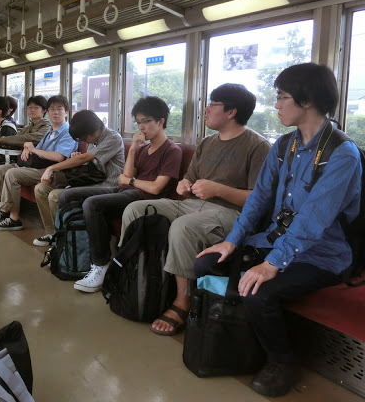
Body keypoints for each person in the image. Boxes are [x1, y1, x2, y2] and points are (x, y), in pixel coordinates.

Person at [196, 64, 361, 397]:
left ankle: (282, 361)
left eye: (283, 97)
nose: (276, 105)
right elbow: (258, 198)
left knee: (260, 292)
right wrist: (232, 241)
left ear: (307, 100)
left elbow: (313, 220)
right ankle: (237, 338)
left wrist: (271, 263)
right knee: (206, 264)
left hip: (322, 254)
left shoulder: (342, 154)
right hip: (276, 240)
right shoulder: (285, 145)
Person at [120, 83, 271, 335]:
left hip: (231, 213)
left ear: (231, 112)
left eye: (212, 104)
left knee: (183, 227)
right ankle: (131, 273)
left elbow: (259, 200)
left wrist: (218, 189)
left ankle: (183, 300)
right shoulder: (207, 143)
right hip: (192, 204)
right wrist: (184, 185)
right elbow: (188, 180)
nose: (206, 109)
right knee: (136, 209)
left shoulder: (258, 146)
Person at [53, 98, 182, 293]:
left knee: (92, 204)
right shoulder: (143, 149)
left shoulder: (172, 150)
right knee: (68, 195)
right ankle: (68, 245)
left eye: (146, 121)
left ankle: (101, 264)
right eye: (138, 122)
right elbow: (125, 176)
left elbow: (155, 188)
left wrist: (130, 181)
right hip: (127, 190)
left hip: (145, 198)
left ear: (161, 121)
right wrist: (133, 150)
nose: (141, 127)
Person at [32, 109, 126, 247]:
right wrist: (77, 159)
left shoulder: (113, 138)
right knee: (41, 189)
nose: (83, 142)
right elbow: (89, 163)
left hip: (109, 185)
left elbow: (85, 158)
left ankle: (64, 239)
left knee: (55, 196)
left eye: (83, 138)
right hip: (92, 181)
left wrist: (52, 168)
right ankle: (53, 233)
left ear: (94, 131)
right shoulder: (92, 139)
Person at [0, 95, 78, 231]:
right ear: (48, 112)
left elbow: (59, 157)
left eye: (59, 109)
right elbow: (35, 147)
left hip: (52, 169)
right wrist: (28, 148)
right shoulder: (51, 131)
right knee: (0, 170)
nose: (55, 112)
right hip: (37, 165)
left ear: (66, 112)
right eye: (52, 109)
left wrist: (33, 149)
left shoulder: (67, 132)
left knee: (12, 174)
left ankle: (13, 218)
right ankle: (1, 208)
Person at [0, 95, 51, 213]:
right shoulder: (28, 127)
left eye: (36, 107)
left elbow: (25, 138)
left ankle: (4, 209)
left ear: (44, 110)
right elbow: (18, 138)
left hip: (34, 164)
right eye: (30, 108)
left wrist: (0, 140)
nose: (32, 110)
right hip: (23, 161)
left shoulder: (46, 127)